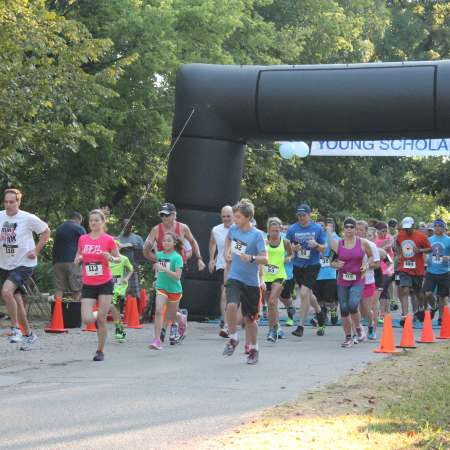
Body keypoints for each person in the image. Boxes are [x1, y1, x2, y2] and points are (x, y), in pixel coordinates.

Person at [0, 189, 50, 350]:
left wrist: (36, 250)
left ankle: (15, 329)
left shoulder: (27, 218)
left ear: (18, 202)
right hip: (6, 264)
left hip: (24, 264)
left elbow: (46, 232)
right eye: (6, 202)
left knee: (6, 292)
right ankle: (29, 335)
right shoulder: (0, 216)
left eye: (11, 202)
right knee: (18, 302)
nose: (8, 205)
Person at [223, 199, 267, 364]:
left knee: (250, 319)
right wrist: (226, 253)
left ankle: (254, 349)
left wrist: (251, 258)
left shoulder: (257, 235)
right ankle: (233, 338)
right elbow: (228, 239)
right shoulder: (234, 230)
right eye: (234, 216)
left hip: (251, 283)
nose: (235, 220)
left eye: (238, 217)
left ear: (248, 217)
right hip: (235, 277)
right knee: (231, 305)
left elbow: (265, 259)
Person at [75, 209, 120, 361]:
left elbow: (118, 258)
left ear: (103, 222)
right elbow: (78, 255)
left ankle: (100, 350)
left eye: (96, 220)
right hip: (88, 283)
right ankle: (99, 313)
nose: (93, 223)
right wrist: (78, 259)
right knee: (87, 319)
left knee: (101, 319)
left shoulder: (108, 240)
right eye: (91, 220)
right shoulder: (83, 239)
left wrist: (111, 258)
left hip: (105, 283)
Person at [327, 217, 373, 348]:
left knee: (353, 304)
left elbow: (370, 256)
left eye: (351, 227)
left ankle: (358, 327)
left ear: (355, 229)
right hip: (342, 280)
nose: (349, 229)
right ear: (343, 229)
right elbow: (330, 261)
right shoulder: (338, 244)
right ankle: (348, 337)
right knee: (344, 309)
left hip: (358, 279)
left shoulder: (362, 243)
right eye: (346, 227)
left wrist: (366, 264)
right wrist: (336, 265)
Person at [286, 204, 326, 338]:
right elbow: (287, 246)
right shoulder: (292, 229)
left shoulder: (317, 228)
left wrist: (316, 245)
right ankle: (319, 313)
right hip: (298, 265)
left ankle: (300, 326)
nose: (301, 218)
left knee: (303, 293)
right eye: (299, 215)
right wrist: (293, 249)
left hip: (313, 264)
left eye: (304, 215)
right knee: (308, 294)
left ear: (309, 215)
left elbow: (324, 249)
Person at [143, 202, 205, 271]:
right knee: (163, 281)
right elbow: (146, 252)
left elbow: (193, 242)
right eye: (162, 214)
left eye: (167, 215)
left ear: (173, 215)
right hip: (164, 265)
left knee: (177, 281)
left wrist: (199, 259)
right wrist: (158, 259)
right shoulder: (155, 229)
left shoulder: (183, 227)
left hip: (179, 264)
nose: (164, 217)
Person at [149, 232, 184, 350]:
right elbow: (157, 270)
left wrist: (163, 268)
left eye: (169, 241)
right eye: (164, 240)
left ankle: (182, 319)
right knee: (158, 311)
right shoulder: (158, 255)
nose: (166, 243)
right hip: (161, 287)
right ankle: (157, 339)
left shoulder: (177, 257)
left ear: (174, 243)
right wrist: (156, 276)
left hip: (174, 289)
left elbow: (177, 276)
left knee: (171, 316)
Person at [395, 216, 431, 325]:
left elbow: (430, 249)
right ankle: (405, 315)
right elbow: (397, 244)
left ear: (413, 226)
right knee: (404, 289)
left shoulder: (421, 236)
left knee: (418, 293)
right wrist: (399, 253)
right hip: (404, 268)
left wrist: (419, 250)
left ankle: (423, 309)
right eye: (405, 228)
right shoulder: (400, 235)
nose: (407, 230)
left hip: (417, 269)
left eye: (409, 228)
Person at [263, 217, 292, 342]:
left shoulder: (285, 242)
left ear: (280, 230)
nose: (274, 233)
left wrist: (288, 258)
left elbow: (291, 254)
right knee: (272, 305)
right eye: (272, 231)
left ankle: (272, 331)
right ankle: (278, 327)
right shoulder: (264, 242)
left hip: (280, 275)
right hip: (266, 276)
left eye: (277, 230)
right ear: (268, 230)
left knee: (272, 301)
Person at [208, 205, 233, 337]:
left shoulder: (239, 229)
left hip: (239, 266)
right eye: (223, 216)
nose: (226, 218)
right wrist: (212, 259)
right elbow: (212, 243)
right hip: (222, 265)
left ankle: (236, 319)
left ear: (233, 215)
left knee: (234, 296)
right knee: (224, 294)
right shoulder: (216, 230)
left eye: (228, 216)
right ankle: (226, 323)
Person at [312, 218, 339, 335]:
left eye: (322, 225)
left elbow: (337, 249)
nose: (320, 228)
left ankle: (333, 309)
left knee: (329, 299)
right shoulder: (312, 238)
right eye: (317, 225)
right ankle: (322, 326)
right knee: (319, 302)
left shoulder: (334, 237)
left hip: (330, 273)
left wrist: (328, 234)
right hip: (316, 274)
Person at [356, 222, 381, 341]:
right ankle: (359, 331)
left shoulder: (371, 245)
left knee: (366, 309)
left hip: (367, 281)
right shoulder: (350, 244)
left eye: (361, 230)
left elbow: (377, 264)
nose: (358, 232)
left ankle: (371, 326)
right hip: (353, 281)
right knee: (354, 308)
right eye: (357, 229)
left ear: (365, 232)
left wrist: (366, 265)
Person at [52, 212, 86, 301]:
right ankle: (76, 311)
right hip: (73, 261)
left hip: (57, 262)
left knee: (59, 288)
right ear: (79, 220)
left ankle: (57, 312)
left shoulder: (59, 228)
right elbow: (85, 244)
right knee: (77, 288)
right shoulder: (78, 228)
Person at [423, 219, 450, 325]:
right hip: (431, 271)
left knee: (442, 297)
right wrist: (425, 259)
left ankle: (441, 318)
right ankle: (434, 307)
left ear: (444, 228)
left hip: (444, 272)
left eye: (440, 226)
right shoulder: (429, 239)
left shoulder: (448, 240)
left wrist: (448, 257)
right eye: (436, 226)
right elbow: (424, 253)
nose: (438, 228)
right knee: (428, 293)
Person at [109, 242, 134, 342]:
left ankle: (119, 329)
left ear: (119, 247)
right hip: (108, 286)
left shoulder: (124, 259)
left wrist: (126, 278)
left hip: (119, 287)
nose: (113, 249)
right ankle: (119, 327)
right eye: (111, 248)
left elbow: (131, 269)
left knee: (112, 305)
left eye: (115, 247)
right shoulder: (107, 259)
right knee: (115, 309)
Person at [119, 219, 144, 300]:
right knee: (120, 293)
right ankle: (121, 311)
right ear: (121, 227)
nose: (126, 228)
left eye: (128, 227)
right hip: (120, 269)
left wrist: (133, 248)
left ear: (131, 227)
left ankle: (138, 311)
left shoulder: (138, 238)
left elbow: (142, 253)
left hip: (133, 268)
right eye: (124, 227)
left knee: (136, 292)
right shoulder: (117, 238)